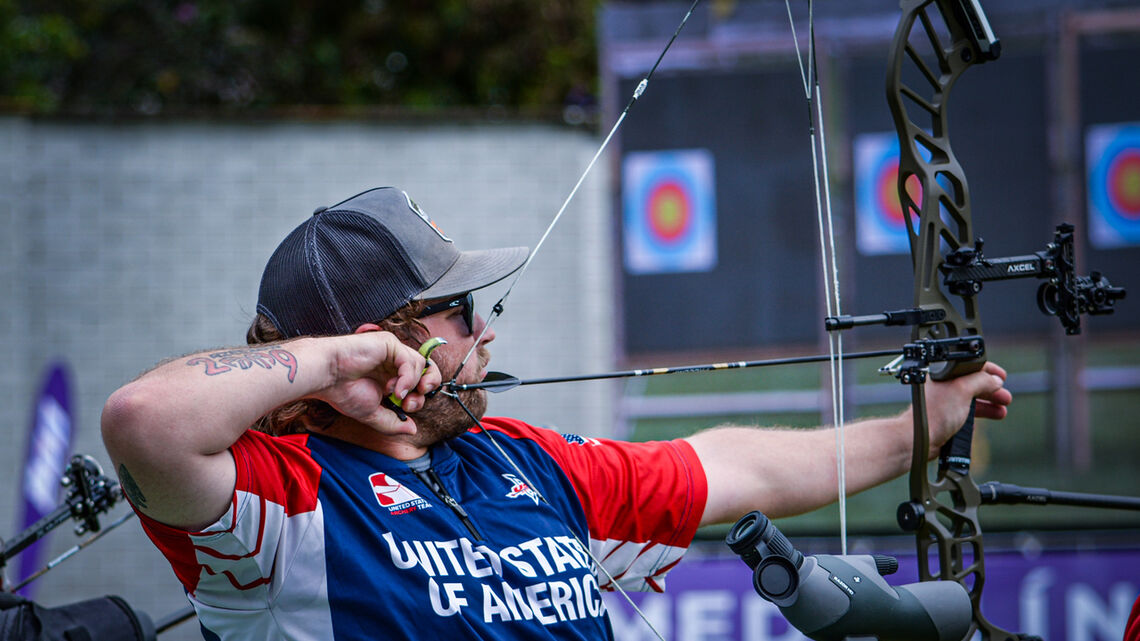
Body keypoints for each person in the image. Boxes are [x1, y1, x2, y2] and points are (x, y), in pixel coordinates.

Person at [101, 186, 1012, 640]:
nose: (484, 332)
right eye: (459, 312)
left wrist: (918, 427)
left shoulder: (522, 462)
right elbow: (144, 418)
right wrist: (341, 359)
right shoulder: (276, 508)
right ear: (390, 342)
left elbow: (735, 467)